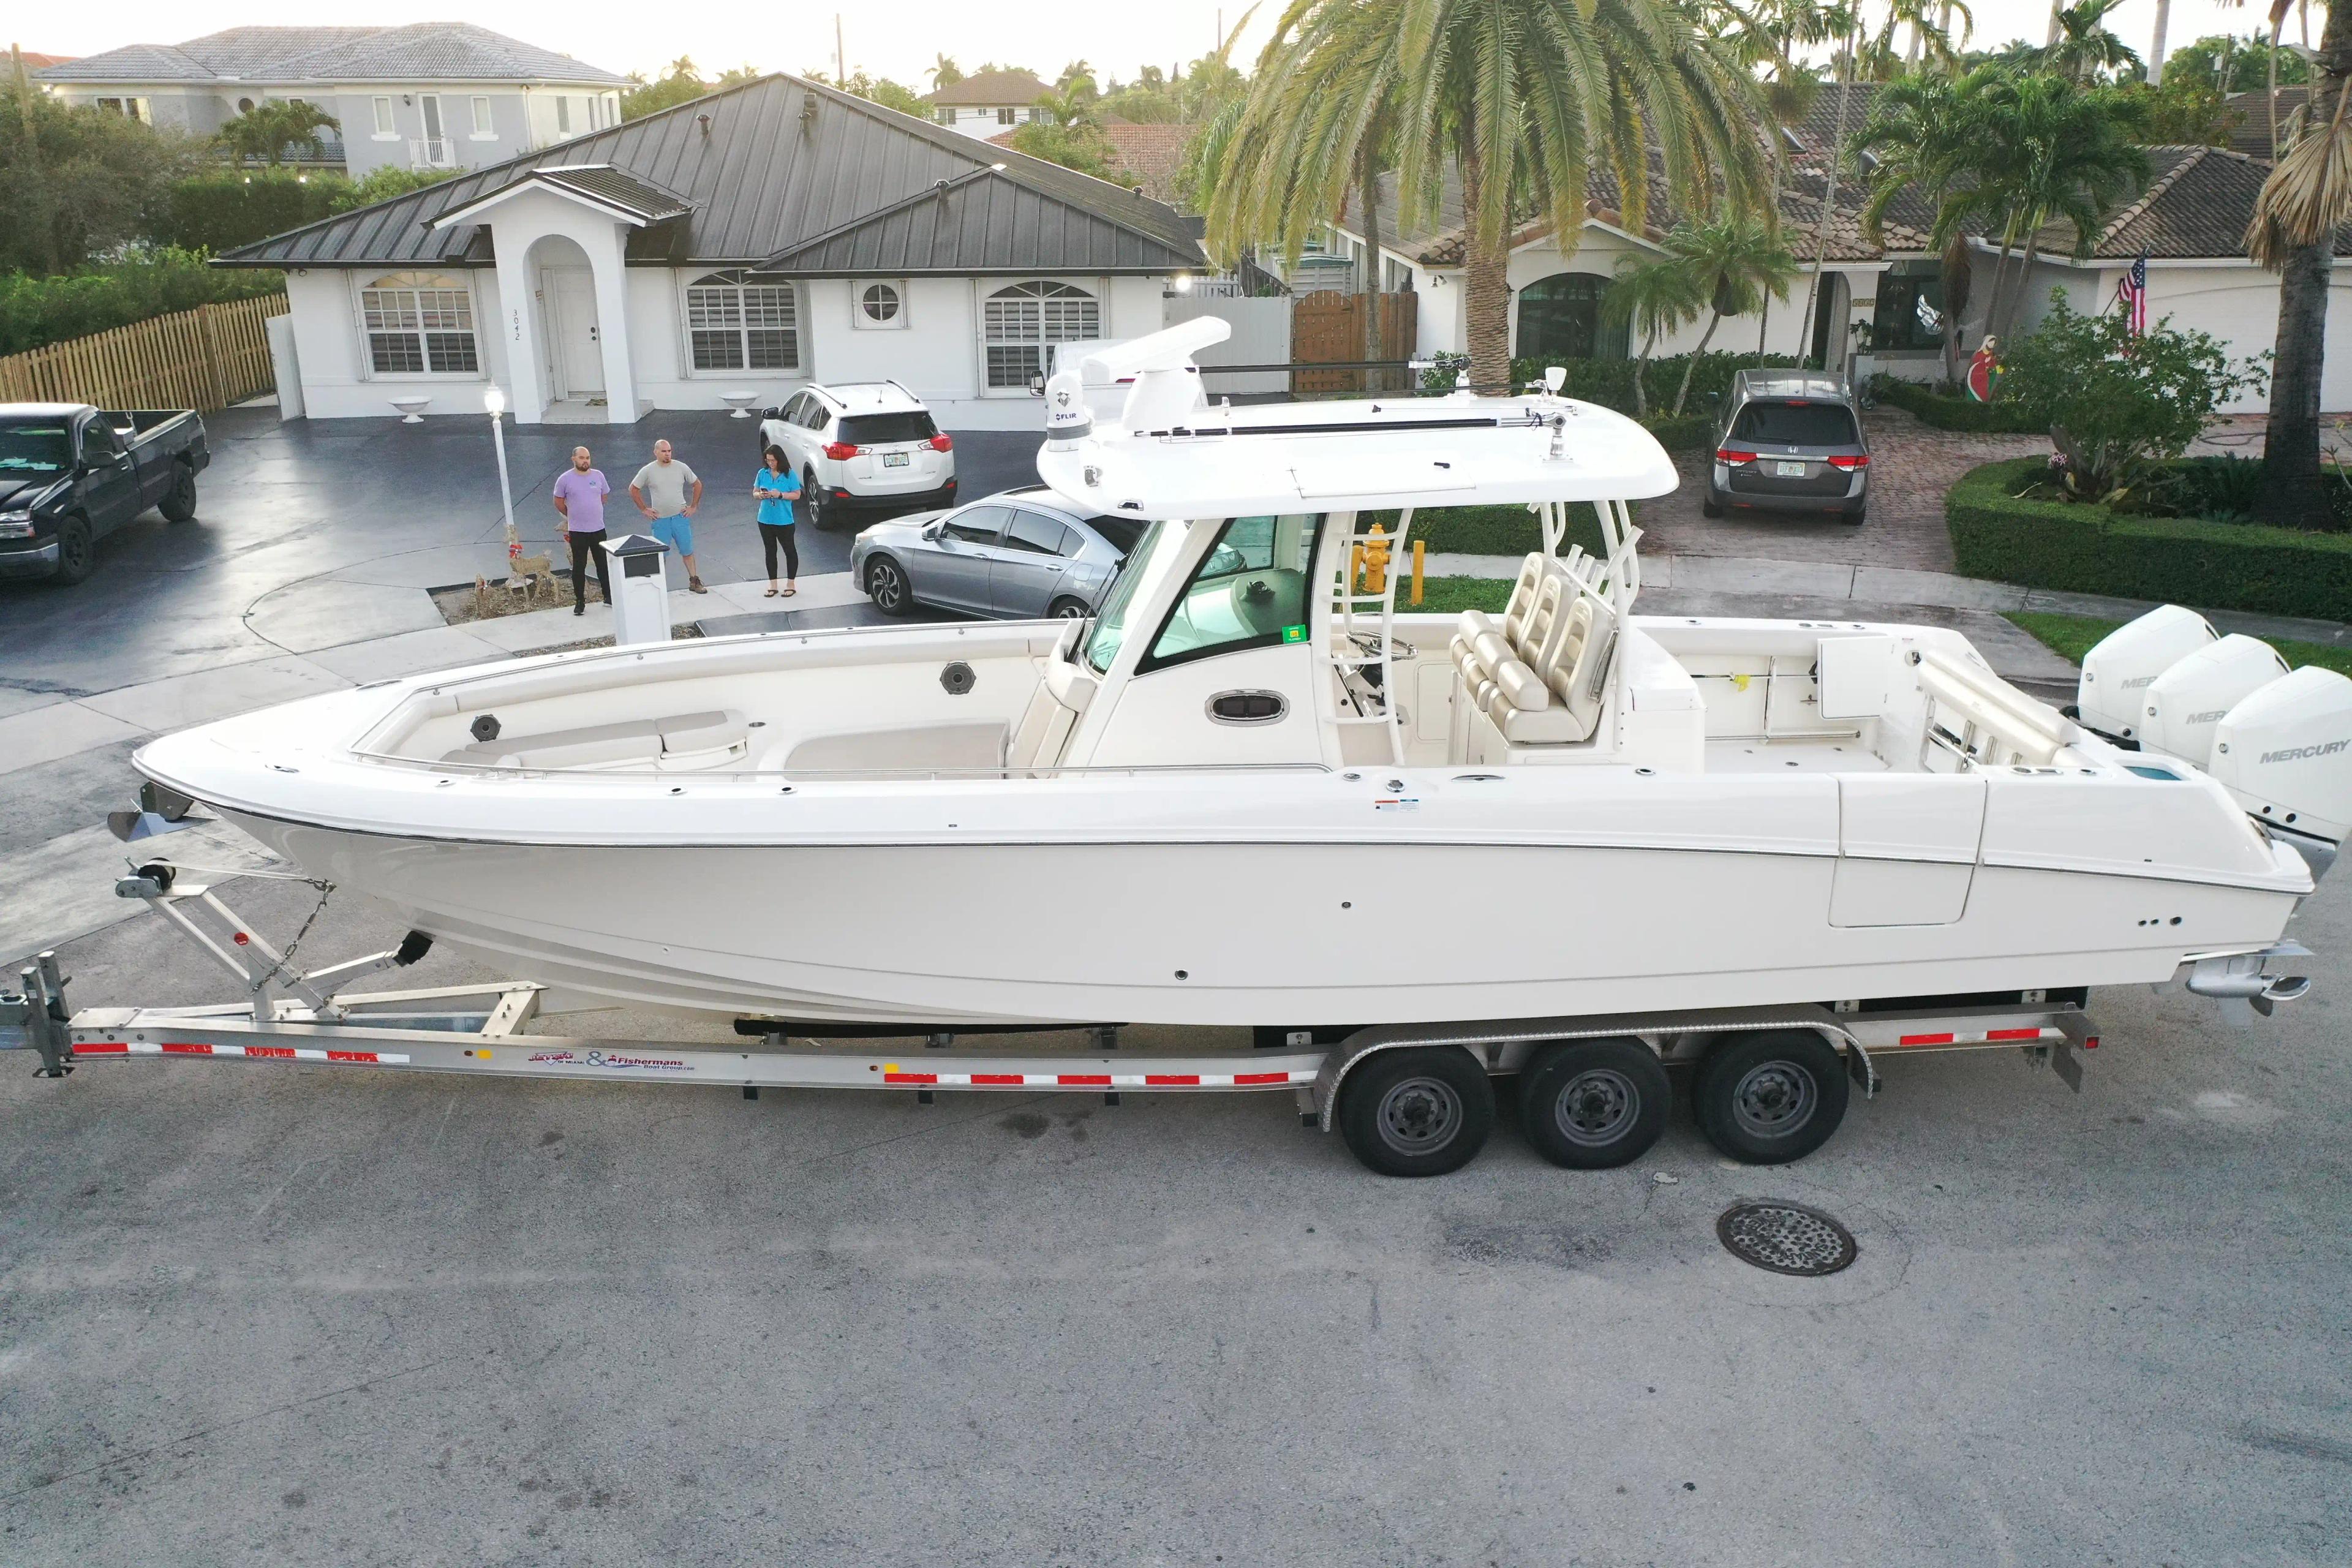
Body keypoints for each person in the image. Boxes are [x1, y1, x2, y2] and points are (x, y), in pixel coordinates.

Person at [629, 439, 706, 594]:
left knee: (687, 551)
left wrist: (693, 506)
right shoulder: (648, 470)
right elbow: (633, 489)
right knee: (660, 555)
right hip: (661, 520)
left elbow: (697, 484)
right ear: (656, 452)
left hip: (680, 517)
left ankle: (694, 580)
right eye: (664, 451)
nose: (667, 454)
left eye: (669, 451)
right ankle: (657, 587)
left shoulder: (680, 467)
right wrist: (644, 509)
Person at [549, 446, 614, 616]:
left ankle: (608, 596)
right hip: (578, 531)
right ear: (574, 459)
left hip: (598, 529)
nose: (585, 461)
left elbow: (604, 497)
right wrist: (572, 515)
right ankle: (580, 602)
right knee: (579, 566)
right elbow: (558, 501)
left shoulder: (598, 476)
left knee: (603, 564)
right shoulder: (565, 479)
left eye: (588, 458)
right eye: (582, 458)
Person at [753, 445, 802, 598]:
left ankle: (791, 583)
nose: (770, 463)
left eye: (773, 460)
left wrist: (780, 495)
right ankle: (773, 584)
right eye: (768, 460)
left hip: (784, 520)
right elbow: (754, 492)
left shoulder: (790, 475)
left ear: (780, 459)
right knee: (770, 551)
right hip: (765, 519)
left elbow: (797, 495)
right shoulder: (762, 473)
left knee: (789, 550)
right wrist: (761, 495)